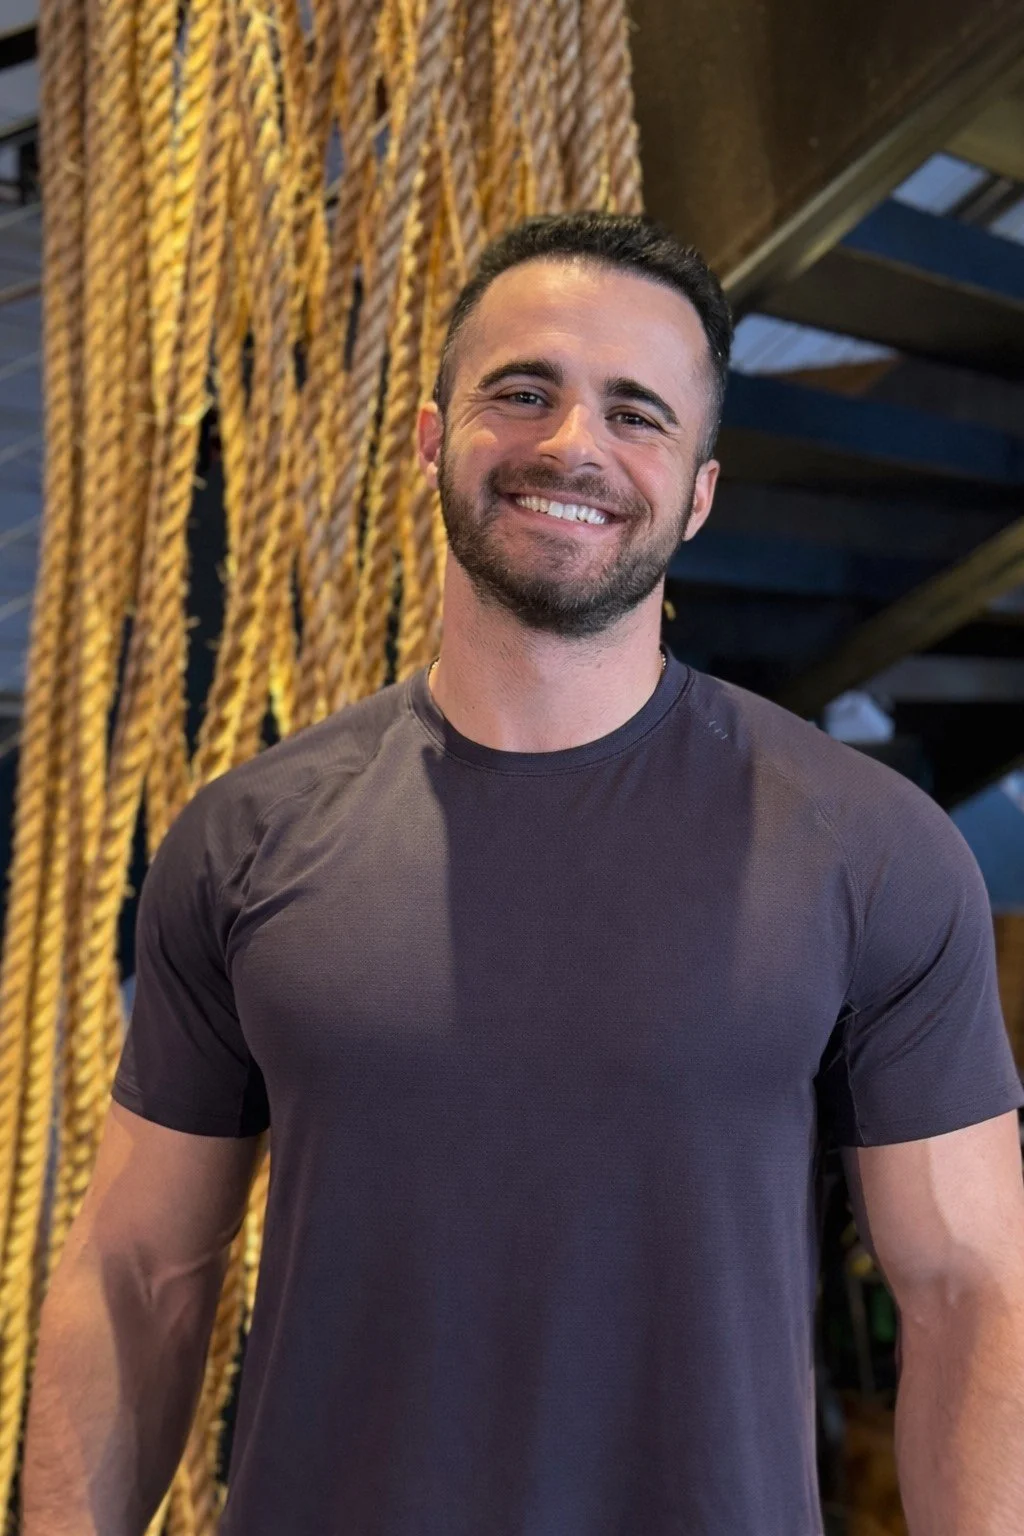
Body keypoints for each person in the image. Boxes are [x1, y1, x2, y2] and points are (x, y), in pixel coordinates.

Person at [24, 213, 1024, 1536]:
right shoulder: (246, 839)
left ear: (699, 490)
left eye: (637, 413)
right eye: (522, 391)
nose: (572, 446)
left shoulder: (873, 849)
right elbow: (139, 1269)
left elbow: (968, 1285)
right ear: (433, 437)